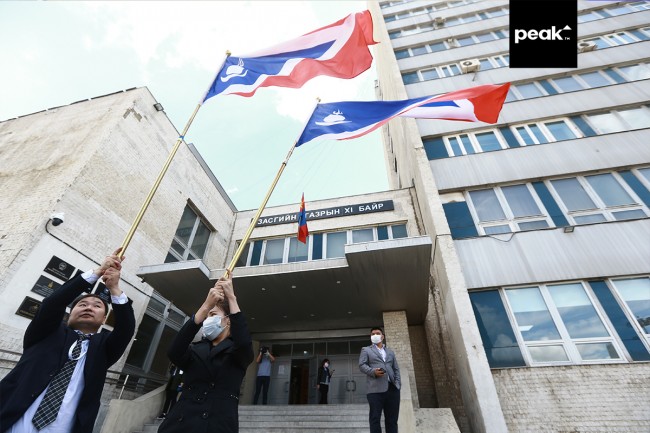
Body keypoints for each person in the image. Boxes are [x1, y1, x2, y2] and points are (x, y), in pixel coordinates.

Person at [0, 248, 136, 433]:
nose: (89, 307)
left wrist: (114, 288)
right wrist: (98, 272)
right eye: (82, 304)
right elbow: (52, 303)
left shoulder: (104, 348)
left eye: (97, 306)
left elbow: (126, 329)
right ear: (70, 313)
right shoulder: (45, 333)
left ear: (104, 319)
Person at [157, 272, 253, 433]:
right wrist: (206, 306)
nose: (208, 320)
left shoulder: (237, 352)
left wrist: (231, 297)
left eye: (213, 315)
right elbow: (174, 352)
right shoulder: (195, 349)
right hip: (180, 423)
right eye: (207, 316)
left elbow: (243, 343)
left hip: (216, 424)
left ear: (228, 320)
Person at [359, 327, 401, 433]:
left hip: (392, 389)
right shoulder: (366, 350)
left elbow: (396, 368)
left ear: (382, 336)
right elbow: (362, 365)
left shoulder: (390, 352)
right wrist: (373, 371)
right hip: (375, 390)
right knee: (375, 419)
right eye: (372, 334)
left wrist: (398, 384)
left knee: (392, 420)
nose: (375, 335)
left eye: (377, 333)